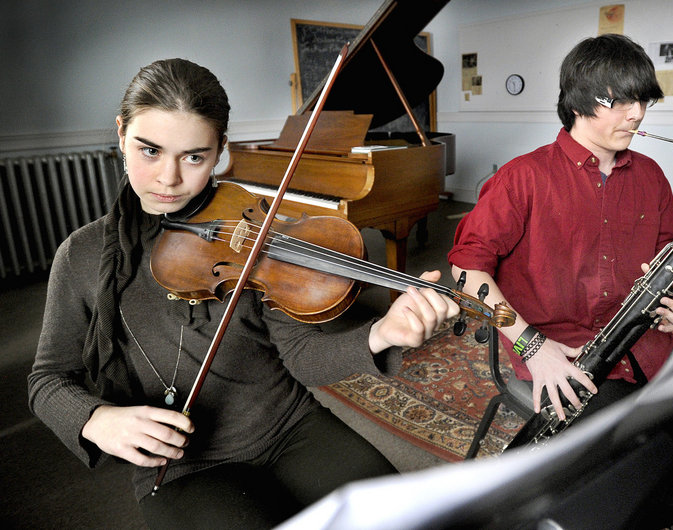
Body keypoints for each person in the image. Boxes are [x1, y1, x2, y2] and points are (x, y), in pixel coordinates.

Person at [28, 58, 459, 529]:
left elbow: (300, 355)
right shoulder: (82, 256)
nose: (169, 179)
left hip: (290, 424)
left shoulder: (250, 228)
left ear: (219, 152)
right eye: (149, 151)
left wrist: (380, 334)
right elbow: (48, 378)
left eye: (194, 157)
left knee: (402, 519)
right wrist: (95, 419)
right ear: (121, 133)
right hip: (186, 465)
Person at [448, 34, 673, 528]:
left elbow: (667, 264)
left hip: (645, 345)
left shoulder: (651, 176)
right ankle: (627, 485)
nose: (637, 115)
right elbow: (464, 273)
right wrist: (531, 345)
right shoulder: (522, 178)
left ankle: (626, 483)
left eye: (643, 100)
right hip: (565, 358)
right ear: (579, 100)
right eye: (620, 101)